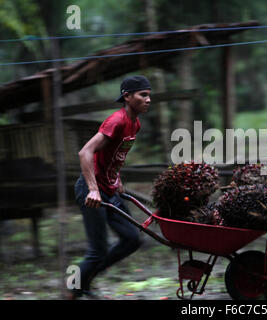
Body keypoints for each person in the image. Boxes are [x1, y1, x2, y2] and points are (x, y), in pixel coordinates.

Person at [70, 75, 151, 299]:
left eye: (149, 95)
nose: (148, 99)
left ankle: (83, 282)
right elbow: (85, 152)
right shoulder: (116, 121)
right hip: (92, 191)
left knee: (132, 240)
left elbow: (115, 155)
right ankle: (72, 288)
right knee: (98, 250)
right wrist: (93, 189)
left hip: (110, 190)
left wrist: (117, 179)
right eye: (143, 95)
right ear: (127, 96)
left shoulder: (135, 123)